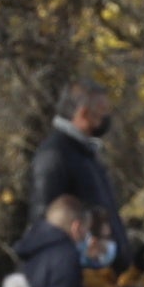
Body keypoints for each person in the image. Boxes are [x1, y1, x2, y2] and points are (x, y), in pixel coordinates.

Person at [24, 81, 121, 240]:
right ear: (83, 113)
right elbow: (43, 220)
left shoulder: (87, 154)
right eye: (102, 111)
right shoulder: (55, 155)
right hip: (79, 262)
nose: (105, 118)